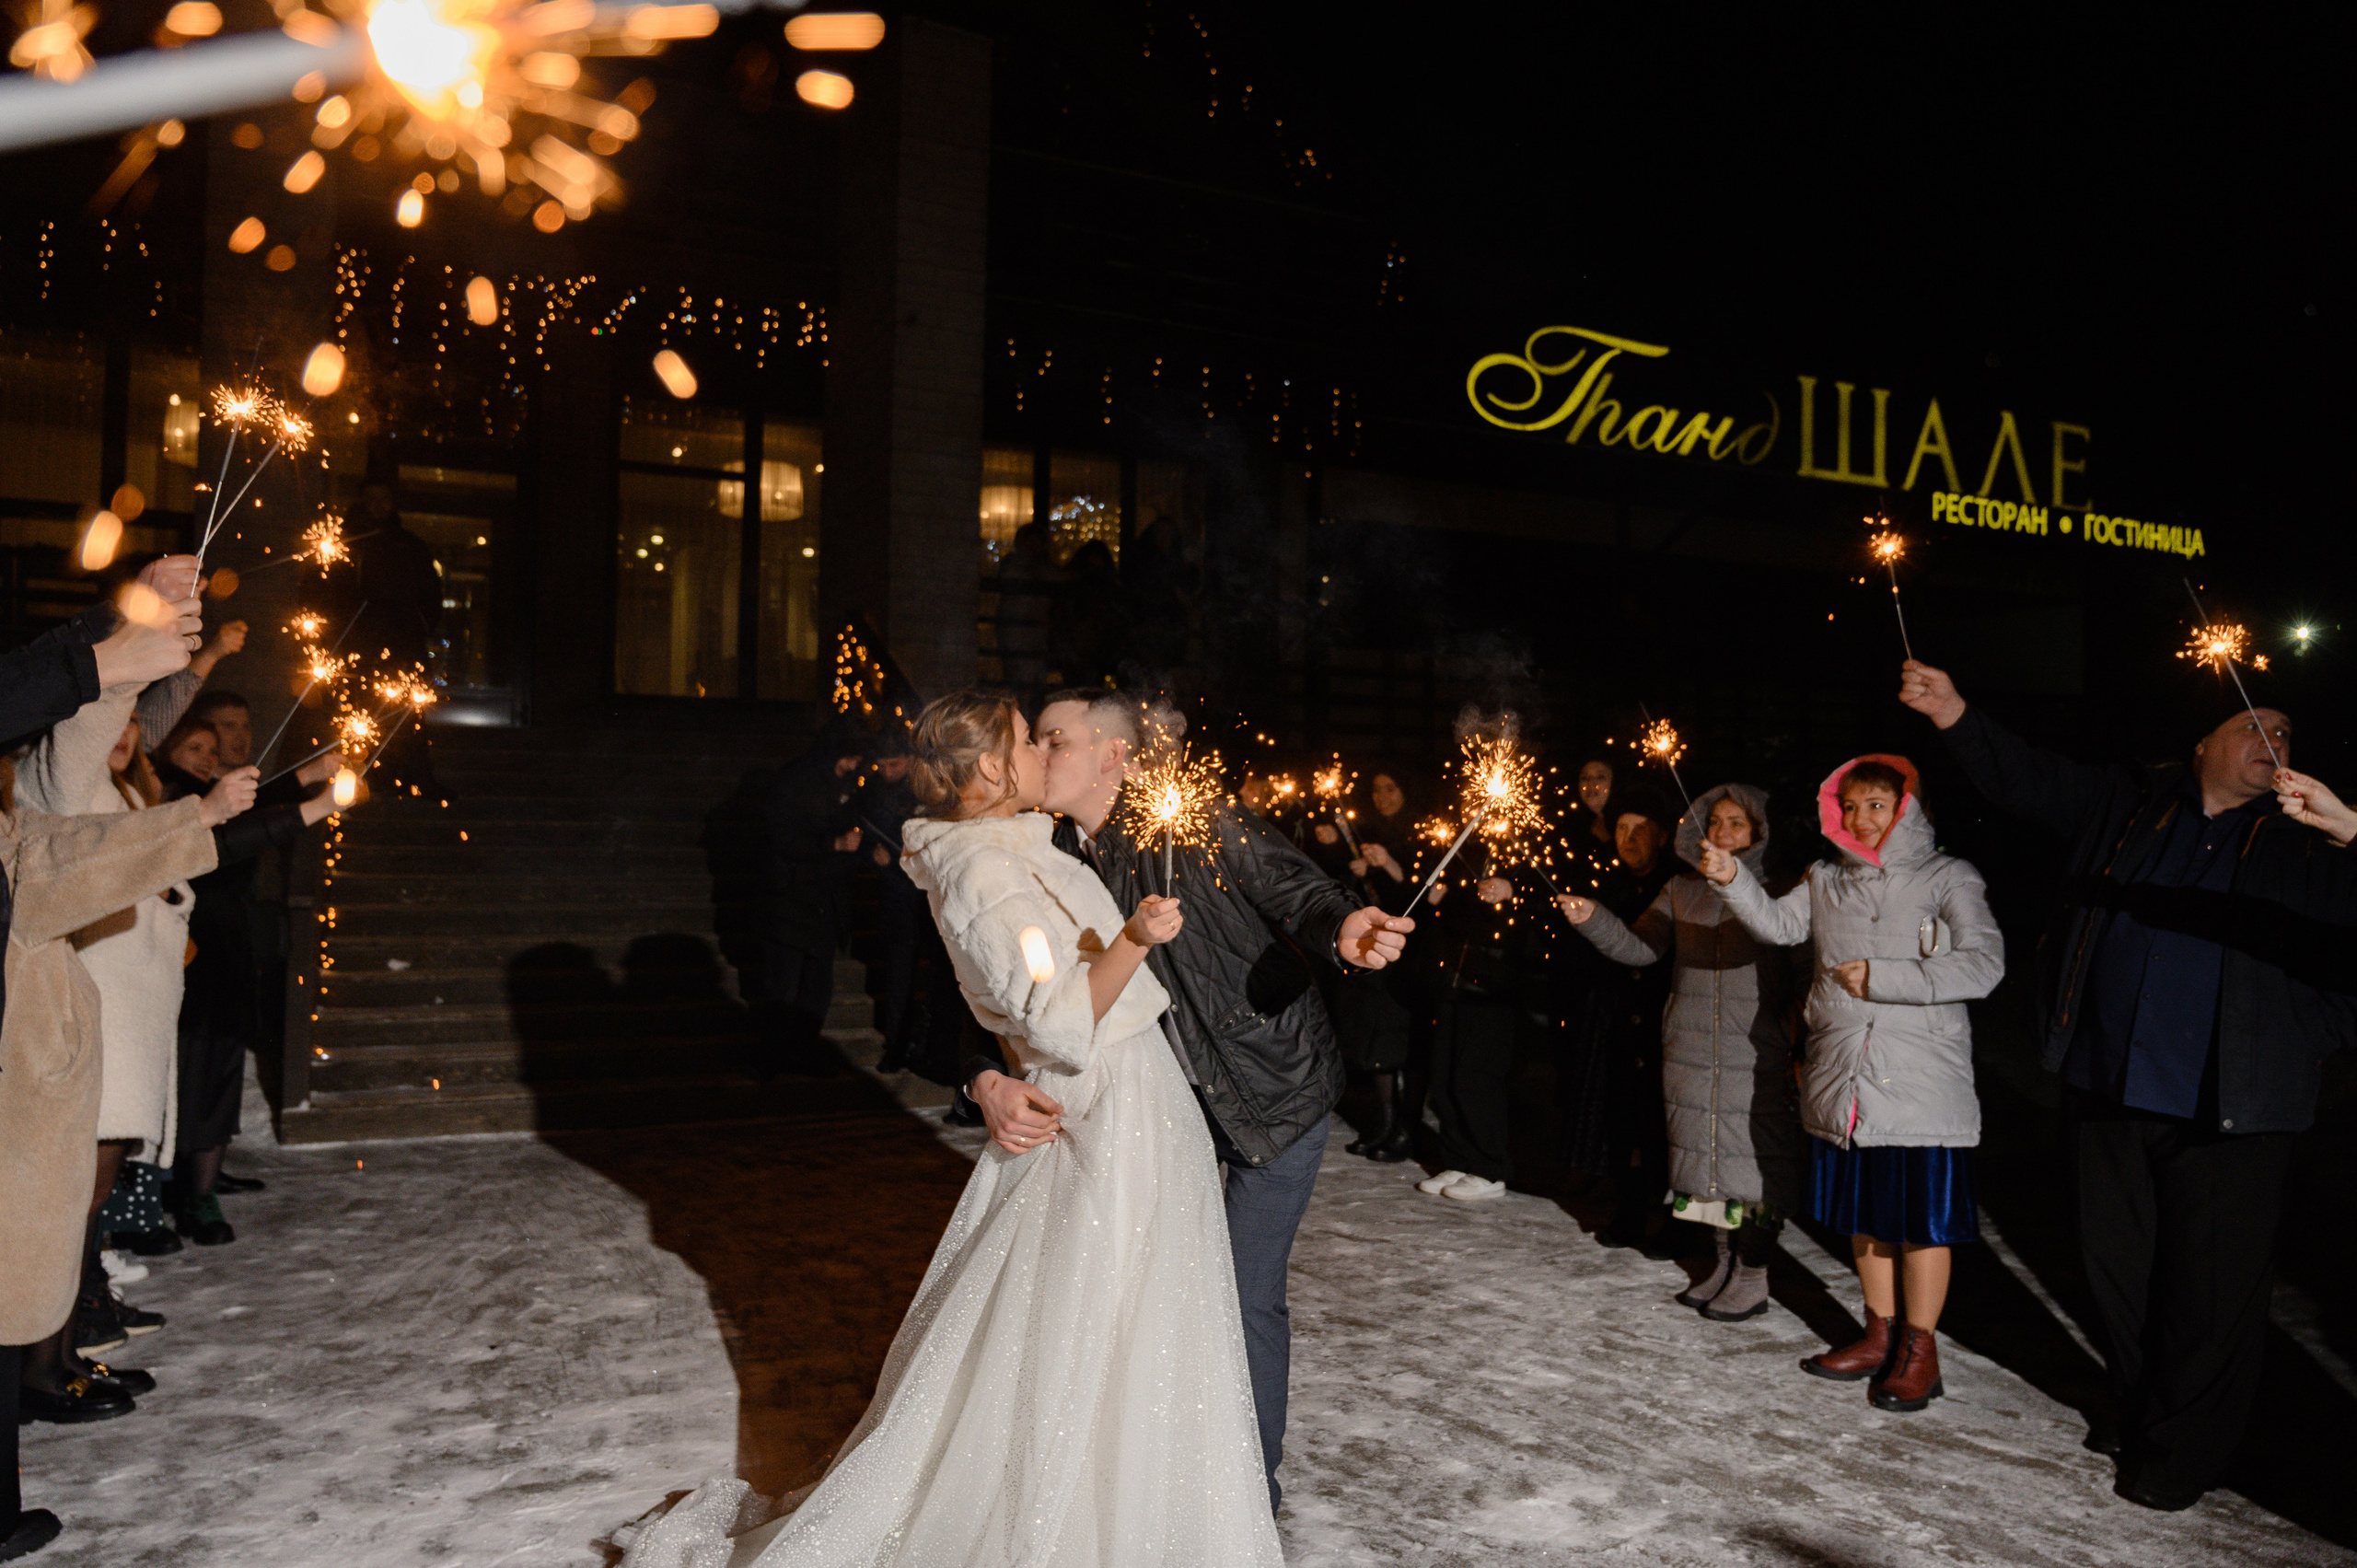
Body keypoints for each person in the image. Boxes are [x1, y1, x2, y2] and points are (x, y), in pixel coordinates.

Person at [619, 693, 1283, 1567]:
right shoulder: (982, 870)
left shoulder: (1012, 848)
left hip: (1137, 1101)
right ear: (997, 770)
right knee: (1096, 1324)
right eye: (1029, 741)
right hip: (1111, 1107)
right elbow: (1053, 1021)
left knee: (1137, 1322)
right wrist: (1131, 939)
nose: (1046, 755)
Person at [1898, 658, 2357, 1503]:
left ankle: (2183, 1452)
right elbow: (2026, 779)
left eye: (2286, 730)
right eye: (2253, 725)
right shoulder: (2132, 802)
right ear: (2203, 744)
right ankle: (2149, 1407)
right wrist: (1954, 709)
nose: (2273, 740)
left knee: (2210, 1296)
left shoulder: (2307, 834)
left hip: (2235, 1105)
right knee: (2119, 1272)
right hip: (2110, 1082)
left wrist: (2352, 830)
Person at [991, 687, 1413, 1511]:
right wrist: (988, 1074)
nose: (1040, 754)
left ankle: (1245, 1492)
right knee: (1150, 1288)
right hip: (1162, 1113)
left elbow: (1301, 890)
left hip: (1273, 1089)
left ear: (1114, 754)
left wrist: (1344, 932)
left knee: (1242, 1292)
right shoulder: (1050, 857)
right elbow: (1006, 987)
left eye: (1056, 738)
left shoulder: (1189, 818)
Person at [2, 555, 206, 1562]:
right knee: (35, 1240)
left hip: (77, 1030)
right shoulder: (46, 791)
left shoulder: (99, 788)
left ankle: (55, 1358)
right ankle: (53, 1360)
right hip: (45, 1036)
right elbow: (75, 727)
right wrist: (119, 645)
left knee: (40, 1241)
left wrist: (133, 631)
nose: (133, 734)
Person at [1701, 754, 2003, 1413]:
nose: (1862, 819)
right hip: (1844, 1077)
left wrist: (1889, 978)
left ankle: (1920, 1352)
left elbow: (1984, 964)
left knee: (1920, 1224)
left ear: (1907, 809)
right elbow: (1782, 926)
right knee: (1865, 1220)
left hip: (1921, 1081)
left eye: (1877, 805)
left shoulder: (1948, 875)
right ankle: (1878, 1334)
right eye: (1852, 805)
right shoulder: (1825, 877)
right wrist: (1732, 880)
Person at [1559, 784, 1804, 1321]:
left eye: (1737, 823)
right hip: (1690, 1048)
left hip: (1752, 1050)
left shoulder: (1784, 890)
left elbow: (1800, 967)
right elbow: (1640, 947)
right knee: (1705, 1165)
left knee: (1754, 1166)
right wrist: (1593, 919)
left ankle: (1753, 1273)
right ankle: (1721, 1262)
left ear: (1759, 833)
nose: (1722, 832)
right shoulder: (1680, 888)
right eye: (1714, 822)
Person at [1555, 784, 1681, 1250]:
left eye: (1640, 830)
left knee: (1662, 1125)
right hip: (1612, 1018)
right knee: (1620, 1117)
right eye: (1621, 829)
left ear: (1663, 836)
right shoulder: (1607, 882)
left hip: (1660, 1020)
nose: (1628, 839)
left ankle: (1674, 1221)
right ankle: (1628, 1210)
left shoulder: (1675, 886)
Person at [1411, 855, 1526, 1202]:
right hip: (1454, 985)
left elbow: (1537, 911)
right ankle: (1459, 1158)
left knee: (1476, 1080)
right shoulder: (1464, 857)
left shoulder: (1522, 855)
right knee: (1444, 1077)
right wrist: (1440, 901)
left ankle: (1489, 1168)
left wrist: (1513, 890)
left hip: (1491, 991)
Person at [758, 721, 865, 1072]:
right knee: (783, 986)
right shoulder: (795, 782)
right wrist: (831, 844)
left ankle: (800, 1052)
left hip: (824, 902)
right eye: (848, 759)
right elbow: (782, 836)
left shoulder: (843, 784)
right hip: (791, 898)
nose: (853, 767)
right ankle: (773, 1058)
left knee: (818, 985)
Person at [1338, 769, 1419, 1161]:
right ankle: (1385, 1123)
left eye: (1391, 787)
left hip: (1408, 957)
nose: (1383, 796)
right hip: (1376, 954)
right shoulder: (1370, 832)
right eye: (1376, 789)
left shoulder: (1418, 832)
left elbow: (1417, 895)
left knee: (1398, 1043)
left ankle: (1403, 1127)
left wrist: (1387, 865)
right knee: (1376, 1041)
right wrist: (1359, 870)